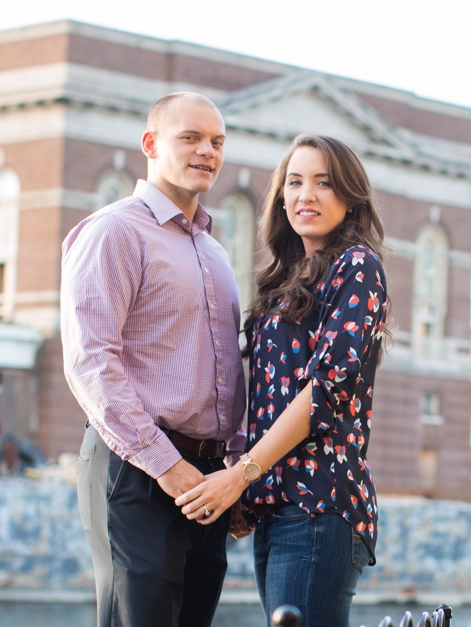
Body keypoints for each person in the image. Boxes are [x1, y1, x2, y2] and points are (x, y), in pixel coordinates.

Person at [177, 134, 389, 627]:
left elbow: (323, 394)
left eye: (323, 183)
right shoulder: (284, 280)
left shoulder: (357, 266)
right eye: (295, 182)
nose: (305, 195)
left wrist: (240, 474)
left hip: (320, 503)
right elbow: (266, 395)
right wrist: (247, 487)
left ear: (351, 198)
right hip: (275, 507)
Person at [61, 91, 247, 627]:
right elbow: (90, 360)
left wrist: (232, 466)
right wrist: (164, 465)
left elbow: (226, 372)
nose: (207, 151)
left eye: (216, 142)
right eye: (189, 137)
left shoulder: (213, 251)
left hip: (206, 477)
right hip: (137, 470)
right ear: (151, 143)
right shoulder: (114, 231)